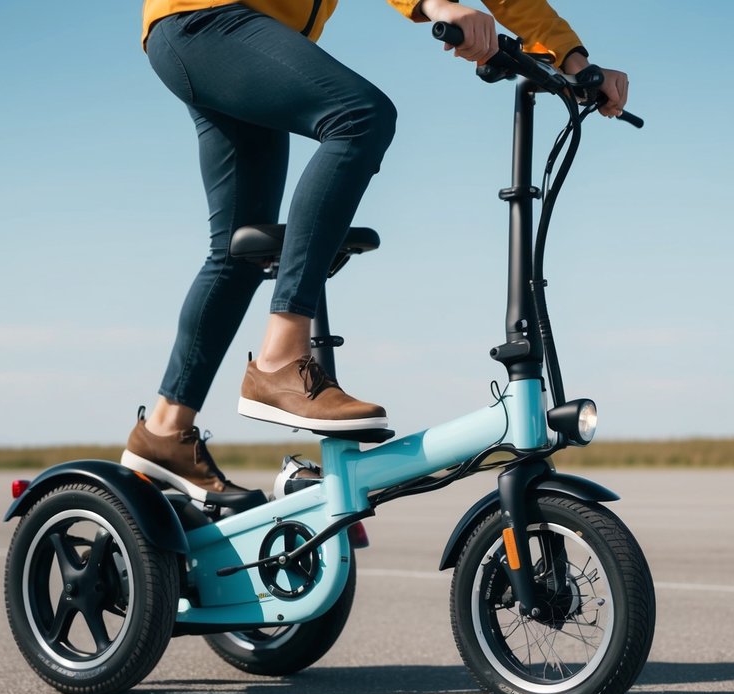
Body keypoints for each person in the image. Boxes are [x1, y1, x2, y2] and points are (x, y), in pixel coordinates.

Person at [122, 0, 629, 500]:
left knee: (237, 251)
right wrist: (435, 5)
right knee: (358, 116)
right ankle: (280, 360)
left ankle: (166, 432)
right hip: (205, 17)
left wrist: (573, 59)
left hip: (233, 32)